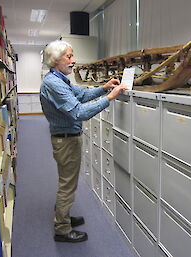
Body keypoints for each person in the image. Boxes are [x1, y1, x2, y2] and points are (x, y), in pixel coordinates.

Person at [40, 40, 127, 243]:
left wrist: (104, 88)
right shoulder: (53, 84)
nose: (74, 60)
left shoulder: (59, 79)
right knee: (67, 185)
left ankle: (65, 216)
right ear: (55, 60)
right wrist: (110, 98)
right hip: (66, 141)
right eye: (69, 56)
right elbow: (79, 112)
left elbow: (82, 95)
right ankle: (62, 228)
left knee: (67, 181)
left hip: (66, 139)